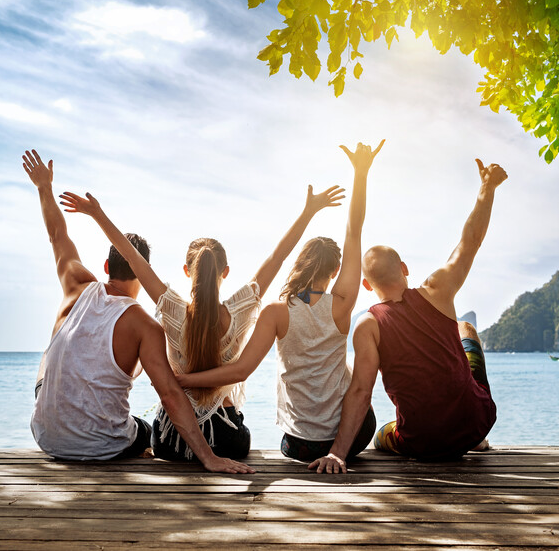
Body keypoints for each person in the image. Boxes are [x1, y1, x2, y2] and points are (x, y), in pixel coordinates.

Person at [59, 181, 345, 461]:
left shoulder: (171, 308)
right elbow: (277, 257)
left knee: (142, 430)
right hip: (227, 438)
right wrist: (309, 212)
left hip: (170, 441)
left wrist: (97, 214)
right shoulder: (240, 309)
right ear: (226, 271)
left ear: (187, 271)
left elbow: (134, 259)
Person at [22, 150, 253, 474]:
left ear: (105, 267)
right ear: (143, 273)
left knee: (48, 367)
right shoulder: (145, 326)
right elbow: (171, 395)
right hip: (105, 446)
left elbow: (57, 235)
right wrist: (209, 459)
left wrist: (44, 188)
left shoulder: (76, 285)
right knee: (145, 431)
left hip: (46, 438)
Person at [176, 142, 384, 462]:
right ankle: (338, 451)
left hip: (300, 445)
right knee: (358, 386)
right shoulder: (342, 304)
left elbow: (241, 370)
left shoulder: (275, 313)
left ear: (299, 264)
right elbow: (354, 232)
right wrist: (361, 173)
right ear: (335, 271)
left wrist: (185, 380)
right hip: (350, 438)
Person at [309, 158, 507, 473]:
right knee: (466, 328)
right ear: (404, 269)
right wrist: (488, 188)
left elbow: (361, 391)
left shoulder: (368, 325)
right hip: (475, 424)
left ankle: (437, 435)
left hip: (423, 442)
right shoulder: (437, 289)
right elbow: (470, 242)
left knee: (381, 437)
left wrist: (337, 453)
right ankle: (478, 439)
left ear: (365, 284)